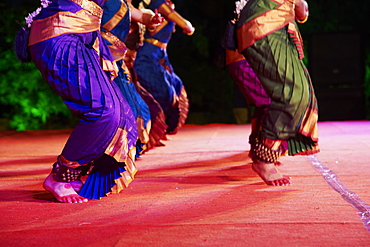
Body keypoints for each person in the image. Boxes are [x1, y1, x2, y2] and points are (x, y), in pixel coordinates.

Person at [25, 0, 139, 202]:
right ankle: (60, 176)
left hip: (85, 33)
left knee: (124, 117)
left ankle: (80, 171)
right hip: (60, 31)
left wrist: (145, 16)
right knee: (104, 111)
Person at [234, 0, 319, 185]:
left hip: (280, 22)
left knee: (302, 92)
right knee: (291, 93)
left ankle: (266, 148)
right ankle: (264, 156)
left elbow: (301, 10)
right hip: (264, 21)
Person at [100, 0, 164, 157]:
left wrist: (151, 19)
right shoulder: (104, 3)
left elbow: (142, 15)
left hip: (118, 64)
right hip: (102, 62)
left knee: (139, 111)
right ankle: (107, 156)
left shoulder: (123, 5)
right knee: (122, 111)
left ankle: (124, 153)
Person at [133, 0, 194, 135]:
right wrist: (186, 27)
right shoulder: (159, 3)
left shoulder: (163, 4)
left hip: (159, 54)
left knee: (176, 86)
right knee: (163, 92)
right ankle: (150, 131)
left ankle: (159, 130)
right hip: (148, 55)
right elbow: (187, 26)